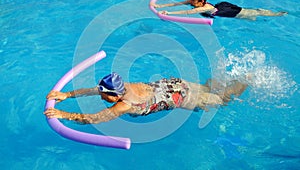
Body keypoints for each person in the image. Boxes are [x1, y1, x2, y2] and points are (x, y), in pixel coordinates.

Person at [44, 72, 248, 124]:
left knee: (222, 101)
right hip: (174, 83)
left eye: (104, 94)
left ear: (115, 96)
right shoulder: (122, 87)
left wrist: (63, 114)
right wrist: (67, 94)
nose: (100, 94)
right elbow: (94, 89)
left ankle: (248, 81)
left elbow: (93, 119)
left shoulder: (123, 105)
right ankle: (230, 77)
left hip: (180, 96)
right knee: (205, 88)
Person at [151, 0, 287, 20]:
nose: (190, 1)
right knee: (250, 15)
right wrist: (159, 6)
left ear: (201, 1)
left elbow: (187, 12)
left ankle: (276, 14)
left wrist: (168, 14)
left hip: (226, 11)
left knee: (251, 14)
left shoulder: (204, 7)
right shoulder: (195, 3)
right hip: (221, 6)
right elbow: (177, 4)